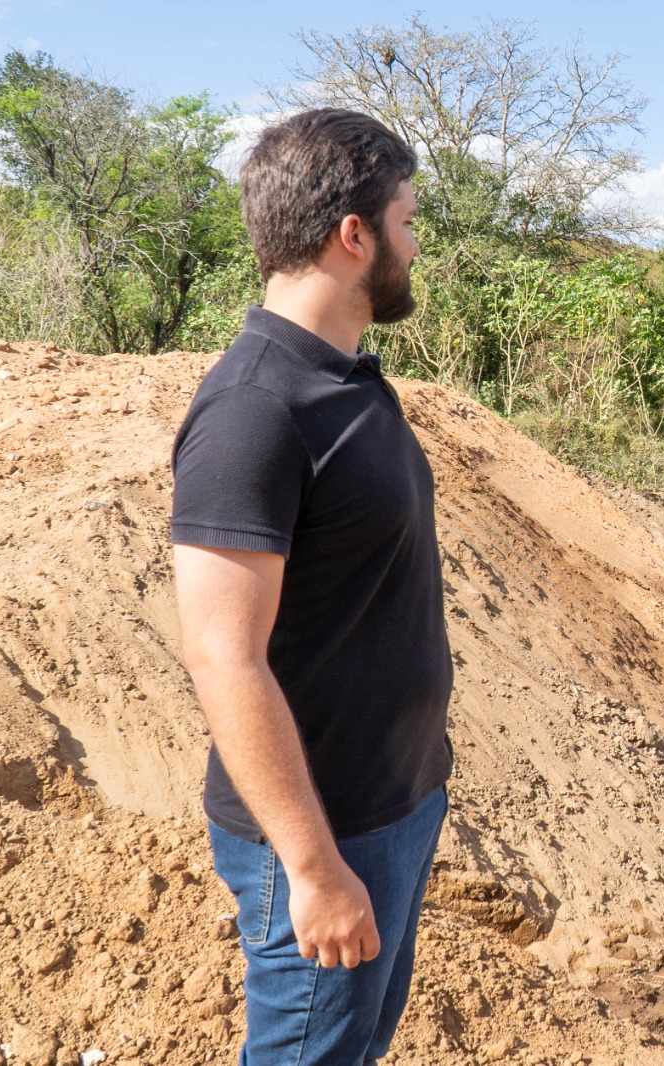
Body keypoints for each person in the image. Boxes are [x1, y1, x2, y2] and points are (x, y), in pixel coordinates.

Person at [170, 109, 451, 1064]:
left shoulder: (348, 380)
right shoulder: (255, 410)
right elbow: (222, 654)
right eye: (407, 223)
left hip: (395, 811)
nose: (415, 246)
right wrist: (314, 866)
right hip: (325, 842)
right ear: (354, 235)